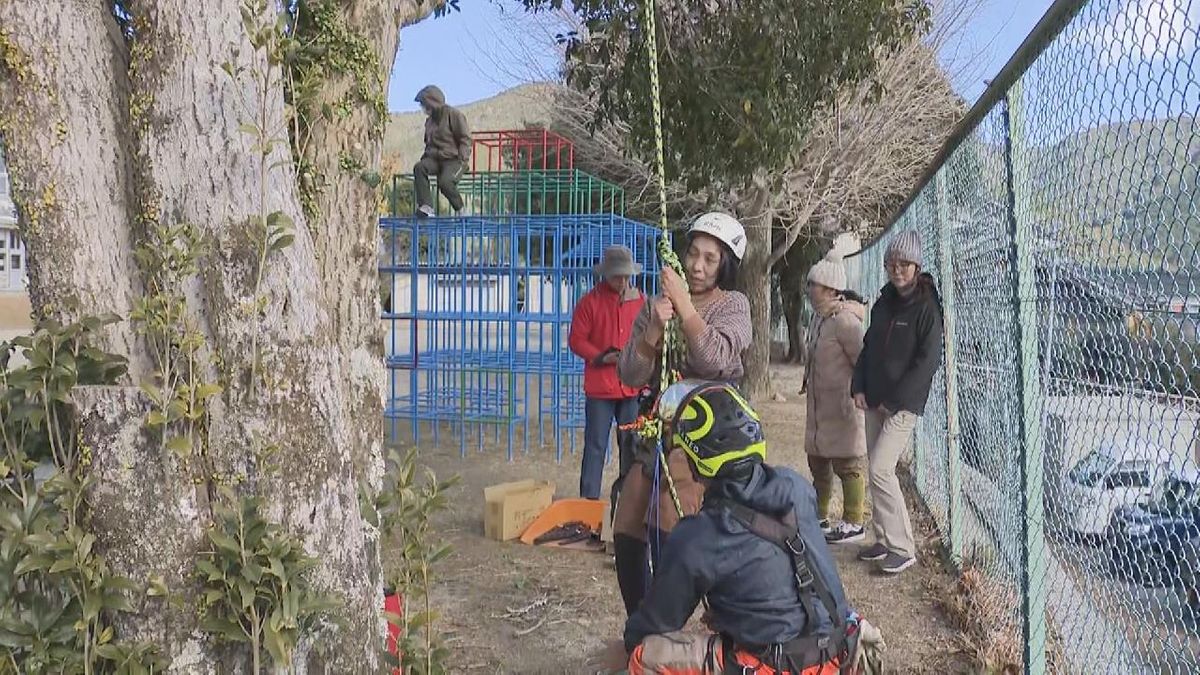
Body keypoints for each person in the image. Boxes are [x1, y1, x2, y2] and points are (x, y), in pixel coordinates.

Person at [620, 381, 884, 675]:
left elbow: (656, 622)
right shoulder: (794, 486)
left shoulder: (699, 535)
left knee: (646, 654)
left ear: (695, 461)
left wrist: (629, 641)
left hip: (774, 666)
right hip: (835, 653)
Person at [613, 212, 752, 616]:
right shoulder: (657, 307)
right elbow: (629, 373)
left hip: (710, 433)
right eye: (693, 253)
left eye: (710, 258)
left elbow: (716, 358)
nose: (696, 265)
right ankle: (640, 619)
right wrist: (654, 328)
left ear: (725, 265)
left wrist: (687, 310)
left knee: (671, 513)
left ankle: (666, 619)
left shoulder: (734, 306)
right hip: (661, 423)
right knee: (627, 520)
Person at [851, 230, 943, 575]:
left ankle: (903, 548)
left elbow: (927, 362)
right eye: (892, 263)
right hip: (874, 399)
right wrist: (858, 386)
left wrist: (895, 399)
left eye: (904, 263)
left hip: (903, 405)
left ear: (916, 266)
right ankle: (884, 540)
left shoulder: (927, 308)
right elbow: (868, 347)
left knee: (881, 468)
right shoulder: (882, 303)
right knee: (874, 467)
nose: (896, 269)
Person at [568, 245, 647, 508]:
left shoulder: (640, 301)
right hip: (601, 388)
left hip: (631, 387)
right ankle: (588, 502)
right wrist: (602, 356)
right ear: (605, 275)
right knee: (595, 446)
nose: (622, 281)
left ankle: (628, 500)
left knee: (631, 445)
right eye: (617, 276)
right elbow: (576, 340)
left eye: (626, 276)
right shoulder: (589, 303)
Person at [801, 251, 868, 545]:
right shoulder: (819, 319)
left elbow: (862, 360)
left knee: (846, 464)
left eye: (813, 284)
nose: (809, 289)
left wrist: (858, 392)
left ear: (829, 289)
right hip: (819, 407)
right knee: (817, 462)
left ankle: (854, 521)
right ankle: (820, 516)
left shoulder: (845, 322)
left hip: (841, 406)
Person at [412, 85, 470, 217]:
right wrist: (425, 159)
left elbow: (465, 138)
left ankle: (461, 210)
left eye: (424, 104)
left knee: (445, 182)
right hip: (435, 159)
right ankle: (426, 206)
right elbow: (429, 143)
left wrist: (463, 158)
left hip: (453, 159)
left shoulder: (453, 115)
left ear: (431, 103)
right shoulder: (429, 122)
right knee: (419, 168)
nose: (422, 108)